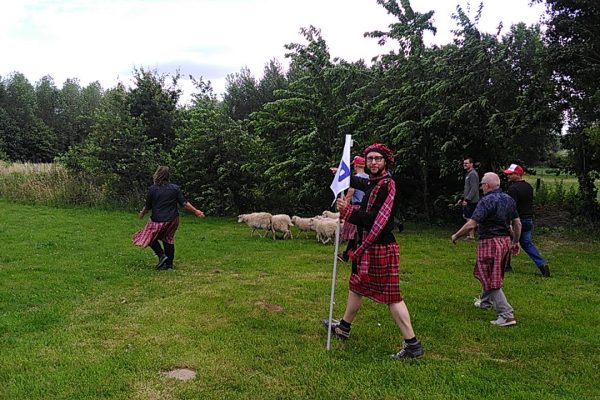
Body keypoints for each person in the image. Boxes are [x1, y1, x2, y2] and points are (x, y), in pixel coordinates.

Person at [325, 143, 424, 359]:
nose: (373, 162)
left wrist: (349, 212)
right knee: (356, 287)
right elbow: (361, 182)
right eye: (370, 159)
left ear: (386, 162)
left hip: (380, 247)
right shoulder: (374, 182)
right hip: (366, 246)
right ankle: (343, 328)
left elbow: (376, 220)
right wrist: (343, 175)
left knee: (392, 296)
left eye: (377, 158)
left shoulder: (388, 186)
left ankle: (412, 345)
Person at [451, 172, 522, 327]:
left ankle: (506, 315)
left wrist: (456, 235)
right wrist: (515, 241)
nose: (481, 186)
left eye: (482, 184)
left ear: (487, 185)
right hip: (505, 242)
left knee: (490, 276)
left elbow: (471, 224)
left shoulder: (486, 201)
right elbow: (517, 223)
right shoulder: (508, 199)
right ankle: (485, 302)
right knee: (491, 272)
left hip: (490, 242)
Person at [133, 166, 205, 270]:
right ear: (168, 176)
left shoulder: (152, 189)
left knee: (148, 236)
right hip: (173, 219)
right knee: (168, 239)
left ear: (157, 175)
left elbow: (148, 206)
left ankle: (162, 255)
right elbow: (184, 203)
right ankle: (169, 265)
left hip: (157, 219)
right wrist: (196, 211)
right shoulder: (175, 188)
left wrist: (142, 213)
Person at [503, 164, 551, 277]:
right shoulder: (529, 187)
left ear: (518, 174)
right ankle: (542, 264)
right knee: (527, 244)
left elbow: (511, 207)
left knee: (507, 241)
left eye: (510, 174)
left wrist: (509, 222)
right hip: (528, 219)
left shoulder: (513, 188)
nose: (508, 176)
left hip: (517, 220)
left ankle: (506, 266)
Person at [338, 155, 369, 262]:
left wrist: (343, 208)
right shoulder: (369, 178)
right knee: (361, 232)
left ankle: (347, 255)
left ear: (355, 166)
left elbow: (349, 195)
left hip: (356, 207)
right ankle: (351, 254)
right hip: (367, 207)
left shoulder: (355, 179)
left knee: (354, 233)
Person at [458, 157, 480, 240]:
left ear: (471, 164)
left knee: (470, 218)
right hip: (468, 199)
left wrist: (468, 200)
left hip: (472, 201)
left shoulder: (473, 174)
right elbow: (467, 188)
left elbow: (474, 188)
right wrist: (462, 198)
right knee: (467, 217)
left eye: (466, 163)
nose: (465, 164)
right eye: (464, 163)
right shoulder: (468, 174)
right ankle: (471, 235)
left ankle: (472, 236)